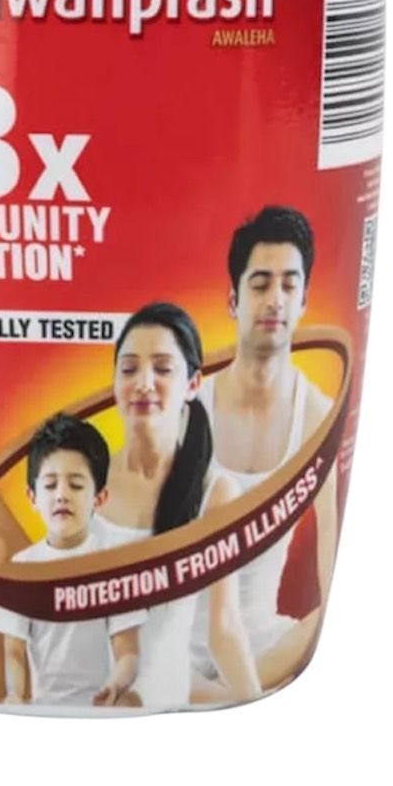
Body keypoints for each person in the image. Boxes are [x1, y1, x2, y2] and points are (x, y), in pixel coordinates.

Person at [191, 206, 337, 697]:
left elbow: (328, 538)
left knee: (312, 624)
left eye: (289, 285)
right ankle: (223, 694)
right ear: (233, 300)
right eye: (260, 284)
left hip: (264, 643)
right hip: (176, 646)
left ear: (304, 300)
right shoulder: (190, 410)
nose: (276, 298)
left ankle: (233, 694)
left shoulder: (316, 414)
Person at [93, 303, 259, 708]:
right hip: (73, 696)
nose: (143, 383)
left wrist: (259, 707)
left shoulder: (214, 493)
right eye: (129, 369)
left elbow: (224, 628)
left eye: (163, 369)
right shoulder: (84, 481)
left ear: (192, 383)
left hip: (159, 702)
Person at [0, 413, 146, 707]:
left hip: (100, 704)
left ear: (99, 498)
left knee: (132, 700)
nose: (61, 495)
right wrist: (15, 694)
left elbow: (128, 652)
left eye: (76, 485)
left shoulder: (112, 565)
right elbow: (14, 651)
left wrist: (115, 685)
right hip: (44, 705)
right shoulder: (22, 569)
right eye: (50, 486)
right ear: (32, 497)